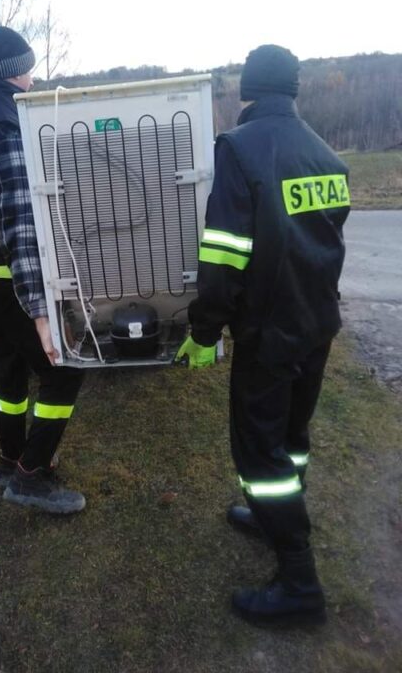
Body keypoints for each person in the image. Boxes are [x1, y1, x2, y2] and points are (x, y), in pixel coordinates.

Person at [176, 44, 350, 625]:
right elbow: (327, 246)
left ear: (247, 90)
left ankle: (299, 582)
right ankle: (279, 509)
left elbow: (223, 254)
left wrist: (204, 331)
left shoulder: (240, 149)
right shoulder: (327, 155)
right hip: (316, 325)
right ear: (294, 89)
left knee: (257, 453)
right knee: (292, 434)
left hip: (269, 333)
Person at [0, 25, 85, 515]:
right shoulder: (3, 130)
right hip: (2, 280)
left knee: (8, 367)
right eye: (29, 65)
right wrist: (42, 312)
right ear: (16, 71)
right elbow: (20, 228)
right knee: (63, 369)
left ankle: (9, 461)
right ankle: (30, 475)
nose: (34, 73)